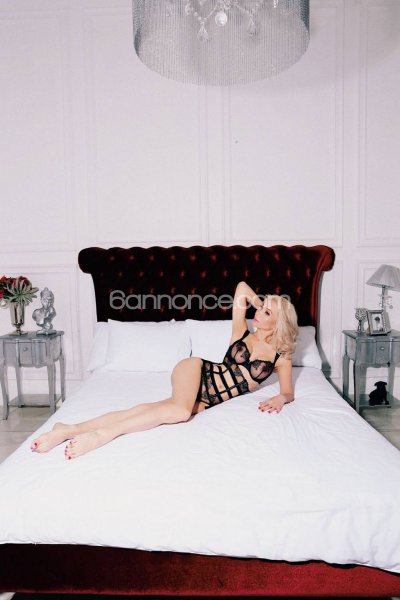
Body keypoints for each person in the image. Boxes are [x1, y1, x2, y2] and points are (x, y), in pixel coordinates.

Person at [31, 281, 298, 460]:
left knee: (144, 411)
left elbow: (287, 391)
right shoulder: (242, 332)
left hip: (207, 399)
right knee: (180, 412)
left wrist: (280, 398)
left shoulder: (281, 356)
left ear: (279, 322)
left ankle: (69, 428)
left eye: (266, 313)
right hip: (196, 370)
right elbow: (241, 288)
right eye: (260, 308)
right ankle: (103, 435)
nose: (257, 313)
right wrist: (262, 303)